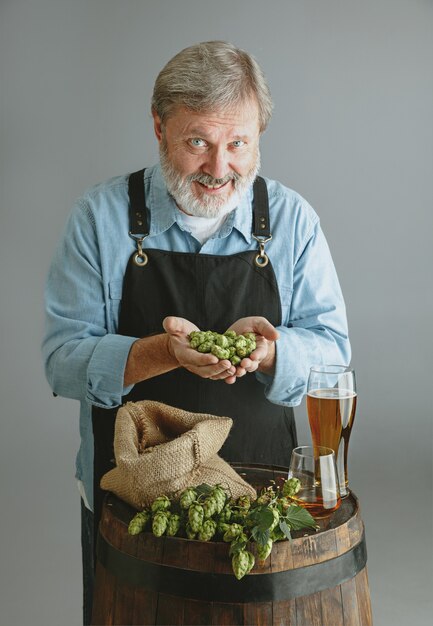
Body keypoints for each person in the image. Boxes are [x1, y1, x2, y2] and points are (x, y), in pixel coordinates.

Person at [42, 40, 351, 624]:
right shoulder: (99, 219)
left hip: (260, 506)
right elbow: (61, 360)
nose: (219, 167)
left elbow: (334, 353)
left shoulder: (292, 222)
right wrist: (161, 353)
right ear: (159, 127)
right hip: (135, 505)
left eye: (239, 144)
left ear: (259, 133)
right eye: (198, 143)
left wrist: (269, 352)